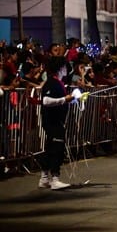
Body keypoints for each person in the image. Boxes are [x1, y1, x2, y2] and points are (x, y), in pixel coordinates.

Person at [38, 56, 83, 190]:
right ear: (59, 68)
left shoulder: (58, 82)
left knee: (51, 148)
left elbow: (60, 100)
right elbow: (46, 100)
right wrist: (65, 99)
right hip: (52, 121)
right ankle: (55, 178)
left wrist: (73, 99)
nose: (66, 70)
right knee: (57, 149)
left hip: (56, 120)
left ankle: (44, 178)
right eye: (64, 67)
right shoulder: (52, 82)